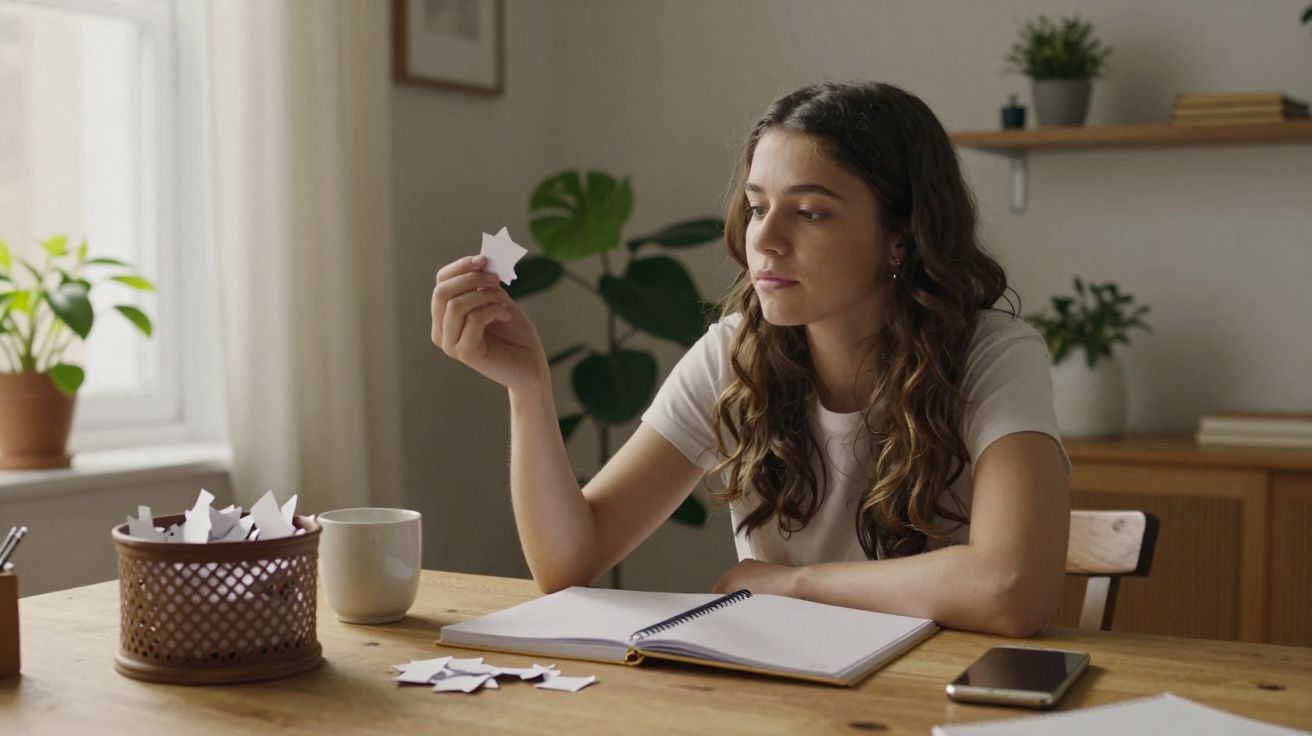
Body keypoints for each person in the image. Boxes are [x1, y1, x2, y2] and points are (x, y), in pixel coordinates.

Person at [430, 81, 1071, 637]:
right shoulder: (733, 355)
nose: (762, 238)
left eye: (811, 212)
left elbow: (1011, 589)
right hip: (780, 692)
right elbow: (569, 562)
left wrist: (792, 585)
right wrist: (528, 389)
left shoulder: (992, 355)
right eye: (758, 206)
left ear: (899, 239)